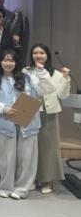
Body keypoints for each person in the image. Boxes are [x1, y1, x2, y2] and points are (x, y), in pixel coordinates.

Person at [0, 49, 55, 199]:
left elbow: (47, 89)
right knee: (6, 158)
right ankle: (6, 187)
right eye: (5, 60)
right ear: (0, 61)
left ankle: (22, 189)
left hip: (27, 123)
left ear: (16, 62)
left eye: (11, 60)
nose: (8, 63)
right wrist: (4, 108)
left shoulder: (28, 77)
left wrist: (42, 72)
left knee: (27, 158)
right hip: (6, 122)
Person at [25, 44, 70, 194]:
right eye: (35, 53)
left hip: (49, 112)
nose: (38, 55)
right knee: (30, 147)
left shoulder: (57, 74)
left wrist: (65, 79)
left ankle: (48, 180)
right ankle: (32, 178)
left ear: (47, 55)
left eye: (42, 53)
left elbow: (63, 95)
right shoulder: (26, 71)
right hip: (29, 111)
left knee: (49, 148)